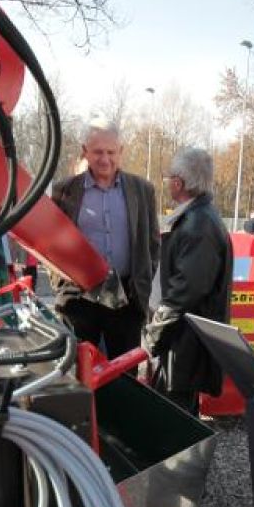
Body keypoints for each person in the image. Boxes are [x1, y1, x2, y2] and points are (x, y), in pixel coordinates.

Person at [51, 124, 159, 358]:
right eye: (98, 152)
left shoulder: (143, 191)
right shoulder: (65, 191)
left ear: (121, 151)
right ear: (85, 151)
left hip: (127, 301)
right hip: (79, 300)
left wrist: (143, 282)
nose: (105, 159)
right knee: (80, 373)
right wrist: (60, 284)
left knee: (124, 373)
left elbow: (152, 243)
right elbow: (52, 244)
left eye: (111, 152)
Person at [143, 147, 232, 415]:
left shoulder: (198, 225)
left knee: (172, 423)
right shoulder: (197, 218)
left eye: (169, 177)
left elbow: (185, 292)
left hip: (182, 347)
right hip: (181, 344)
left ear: (178, 183)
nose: (167, 182)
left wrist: (153, 335)